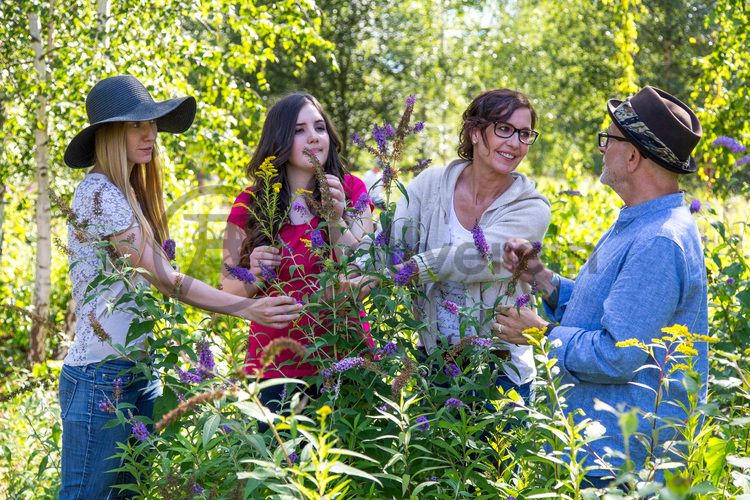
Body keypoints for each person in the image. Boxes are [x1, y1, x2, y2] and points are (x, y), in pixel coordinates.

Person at [59, 75, 302, 499]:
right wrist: (246, 308)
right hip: (100, 374)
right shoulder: (97, 193)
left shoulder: (127, 192)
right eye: (138, 125)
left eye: (152, 124)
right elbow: (166, 279)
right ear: (109, 134)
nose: (151, 133)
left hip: (136, 369)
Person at [495, 86, 708, 486]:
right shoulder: (639, 221)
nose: (601, 148)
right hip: (603, 451)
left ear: (632, 156)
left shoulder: (659, 240)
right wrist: (543, 279)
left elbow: (618, 354)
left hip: (624, 463)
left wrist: (542, 335)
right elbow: (616, 311)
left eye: (607, 138)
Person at [391, 89, 551, 399]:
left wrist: (411, 269)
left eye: (525, 134)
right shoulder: (430, 185)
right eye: (504, 129)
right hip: (435, 362)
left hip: (500, 369)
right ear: (476, 132)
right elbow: (394, 244)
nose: (515, 143)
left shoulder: (532, 207)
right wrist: (356, 273)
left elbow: (480, 257)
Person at [221, 92, 374, 412]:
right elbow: (230, 288)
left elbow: (359, 272)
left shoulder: (352, 189)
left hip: (347, 358)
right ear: (278, 140)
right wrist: (254, 271)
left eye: (319, 128)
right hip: (275, 369)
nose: (314, 138)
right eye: (299, 130)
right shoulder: (249, 203)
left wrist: (336, 221)